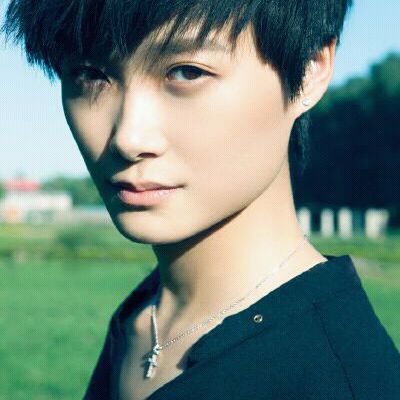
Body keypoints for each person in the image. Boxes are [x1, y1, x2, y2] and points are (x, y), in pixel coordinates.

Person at [2, 1, 400, 399]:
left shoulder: (347, 380)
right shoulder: (140, 319)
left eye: (187, 72)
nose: (128, 138)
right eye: (90, 75)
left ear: (310, 69)